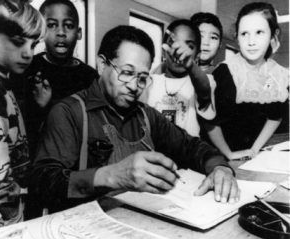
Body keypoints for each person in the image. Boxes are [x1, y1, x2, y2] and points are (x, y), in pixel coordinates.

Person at [30, 25, 239, 214]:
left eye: (141, 77)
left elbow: (192, 146)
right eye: (127, 72)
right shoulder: (69, 112)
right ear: (102, 65)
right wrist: (111, 175)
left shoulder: (146, 116)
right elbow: (43, 181)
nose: (133, 86)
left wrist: (220, 168)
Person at [13, 0, 98, 159]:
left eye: (68, 25)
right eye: (52, 25)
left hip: (78, 159)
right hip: (39, 157)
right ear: (42, 31)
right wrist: (40, 107)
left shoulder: (90, 77)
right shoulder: (27, 68)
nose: (61, 32)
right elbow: (18, 128)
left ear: (79, 33)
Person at [204, 2, 289, 160]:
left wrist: (254, 150)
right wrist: (228, 154)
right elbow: (209, 121)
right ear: (236, 37)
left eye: (259, 32)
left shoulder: (278, 74)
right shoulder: (225, 72)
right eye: (244, 34)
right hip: (218, 152)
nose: (251, 41)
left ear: (273, 35)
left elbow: (275, 116)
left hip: (254, 153)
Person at [0, 2, 45, 228]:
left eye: (33, 45)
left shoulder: (6, 86)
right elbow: (0, 187)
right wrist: (14, 215)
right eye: (18, 41)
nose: (28, 53)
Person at [140, 19, 215, 137]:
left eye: (189, 46)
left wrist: (190, 65)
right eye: (173, 45)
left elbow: (204, 89)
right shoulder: (151, 82)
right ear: (164, 52)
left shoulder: (200, 82)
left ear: (197, 55)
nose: (179, 52)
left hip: (188, 153)